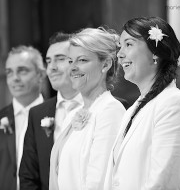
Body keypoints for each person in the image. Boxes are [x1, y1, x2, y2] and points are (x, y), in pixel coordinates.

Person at [104, 17, 180, 189]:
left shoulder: (174, 104)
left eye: (128, 44)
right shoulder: (133, 110)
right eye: (120, 46)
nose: (119, 54)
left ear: (155, 53)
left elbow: (164, 182)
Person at [49, 27, 126, 190]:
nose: (73, 67)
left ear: (105, 64)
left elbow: (98, 180)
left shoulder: (110, 111)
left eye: (82, 60)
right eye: (70, 61)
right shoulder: (72, 115)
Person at [0, 45, 46, 190]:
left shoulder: (59, 116)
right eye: (9, 73)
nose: (15, 78)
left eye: (22, 71)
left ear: (41, 75)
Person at [19, 32, 83, 190]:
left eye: (60, 59)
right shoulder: (37, 114)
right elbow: (28, 176)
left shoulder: (102, 107)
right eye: (48, 61)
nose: (52, 68)